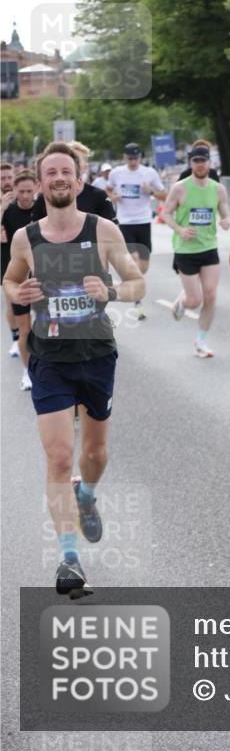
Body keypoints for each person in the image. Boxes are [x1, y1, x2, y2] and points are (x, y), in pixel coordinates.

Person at [3, 142, 144, 598]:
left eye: (67, 171)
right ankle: (69, 559)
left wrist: (110, 293)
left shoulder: (103, 230)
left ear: (79, 181)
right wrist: (17, 292)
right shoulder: (27, 237)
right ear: (41, 183)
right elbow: (9, 277)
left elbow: (137, 281)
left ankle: (87, 495)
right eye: (52, 172)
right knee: (60, 457)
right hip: (49, 358)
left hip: (96, 353)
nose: (60, 178)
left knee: (95, 455)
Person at [162, 145, 230, 358]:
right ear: (190, 163)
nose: (200, 164)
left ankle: (201, 341)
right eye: (196, 161)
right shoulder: (180, 188)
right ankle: (182, 302)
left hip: (209, 247)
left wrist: (226, 221)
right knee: (194, 301)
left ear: (209, 163)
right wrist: (180, 230)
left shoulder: (218, 189)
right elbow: (166, 214)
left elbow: (224, 212)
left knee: (210, 295)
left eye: (203, 161)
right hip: (185, 250)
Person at [106, 143, 166, 320]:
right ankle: (137, 300)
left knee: (143, 266)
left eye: (135, 158)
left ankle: (132, 281)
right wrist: (113, 197)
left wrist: (152, 191)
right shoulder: (117, 173)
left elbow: (165, 195)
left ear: (140, 157)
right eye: (130, 158)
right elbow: (108, 189)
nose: (133, 161)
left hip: (144, 221)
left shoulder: (149, 173)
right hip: (125, 222)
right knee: (134, 260)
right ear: (125, 158)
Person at [1, 169, 39, 388]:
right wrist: (2, 208)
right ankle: (27, 373)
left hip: (42, 273)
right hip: (16, 274)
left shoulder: (42, 208)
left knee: (46, 325)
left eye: (28, 191)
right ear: (14, 190)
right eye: (21, 191)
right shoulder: (8, 210)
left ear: (36, 188)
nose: (25, 196)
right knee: (25, 327)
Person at [33, 142, 117, 224]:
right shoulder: (44, 198)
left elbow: (112, 229)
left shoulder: (99, 196)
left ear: (85, 167)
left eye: (76, 160)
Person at [1, 161, 19, 356]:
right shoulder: (3, 202)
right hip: (5, 255)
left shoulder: (24, 194)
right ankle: (15, 338)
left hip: (27, 253)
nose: (6, 181)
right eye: (2, 178)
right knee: (12, 300)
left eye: (9, 177)